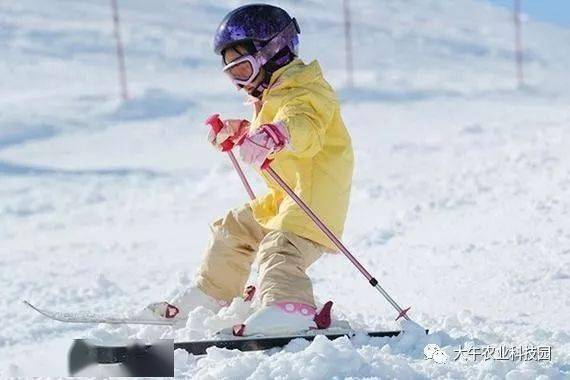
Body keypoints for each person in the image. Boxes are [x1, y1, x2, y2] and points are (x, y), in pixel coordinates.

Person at [149, 4, 354, 336]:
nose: (240, 83)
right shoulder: (275, 95)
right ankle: (212, 294)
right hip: (285, 197)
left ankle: (290, 308)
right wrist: (243, 133)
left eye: (243, 69)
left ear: (274, 52)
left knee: (280, 248)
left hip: (314, 201)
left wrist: (276, 134)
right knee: (233, 228)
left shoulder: (307, 92)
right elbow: (273, 132)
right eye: (232, 74)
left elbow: (303, 124)